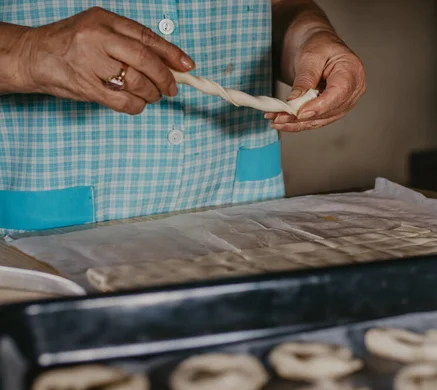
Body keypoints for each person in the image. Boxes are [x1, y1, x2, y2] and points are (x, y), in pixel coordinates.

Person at [0, 0, 366, 232]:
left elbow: (276, 6)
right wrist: (27, 53)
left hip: (244, 216)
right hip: (43, 237)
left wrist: (310, 36)